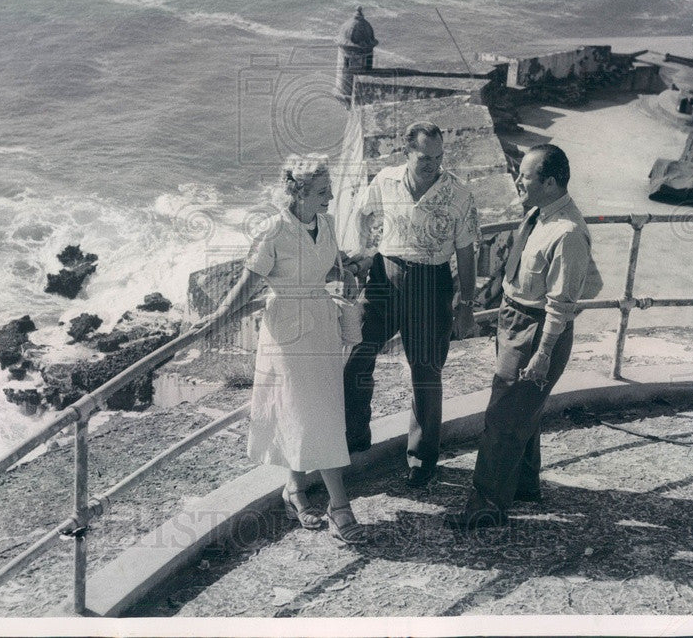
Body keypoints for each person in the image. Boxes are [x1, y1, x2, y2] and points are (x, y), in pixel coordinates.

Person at [196, 154, 367, 545]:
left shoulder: (323, 222)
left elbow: (331, 266)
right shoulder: (273, 231)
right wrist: (219, 317)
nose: (331, 197)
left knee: (308, 412)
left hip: (322, 328)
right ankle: (340, 507)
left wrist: (346, 276)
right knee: (317, 415)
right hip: (288, 334)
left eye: (330, 190)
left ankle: (294, 488)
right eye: (323, 191)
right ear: (299, 191)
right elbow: (248, 283)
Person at [445, 143, 593, 530]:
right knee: (523, 410)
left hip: (535, 327)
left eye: (525, 177)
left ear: (550, 182)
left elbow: (563, 302)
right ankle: (525, 486)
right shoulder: (539, 215)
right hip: (515, 319)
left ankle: (485, 507)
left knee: (503, 419)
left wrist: (543, 352)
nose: (517, 182)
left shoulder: (567, 233)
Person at [343, 122, 480, 488]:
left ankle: (422, 458)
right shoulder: (385, 180)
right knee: (356, 354)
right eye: (424, 158)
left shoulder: (459, 193)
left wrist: (466, 304)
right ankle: (354, 439)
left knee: (426, 373)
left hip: (431, 284)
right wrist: (362, 254)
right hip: (384, 276)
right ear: (406, 153)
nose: (432, 164)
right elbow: (361, 214)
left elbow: (467, 252)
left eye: (438, 157)